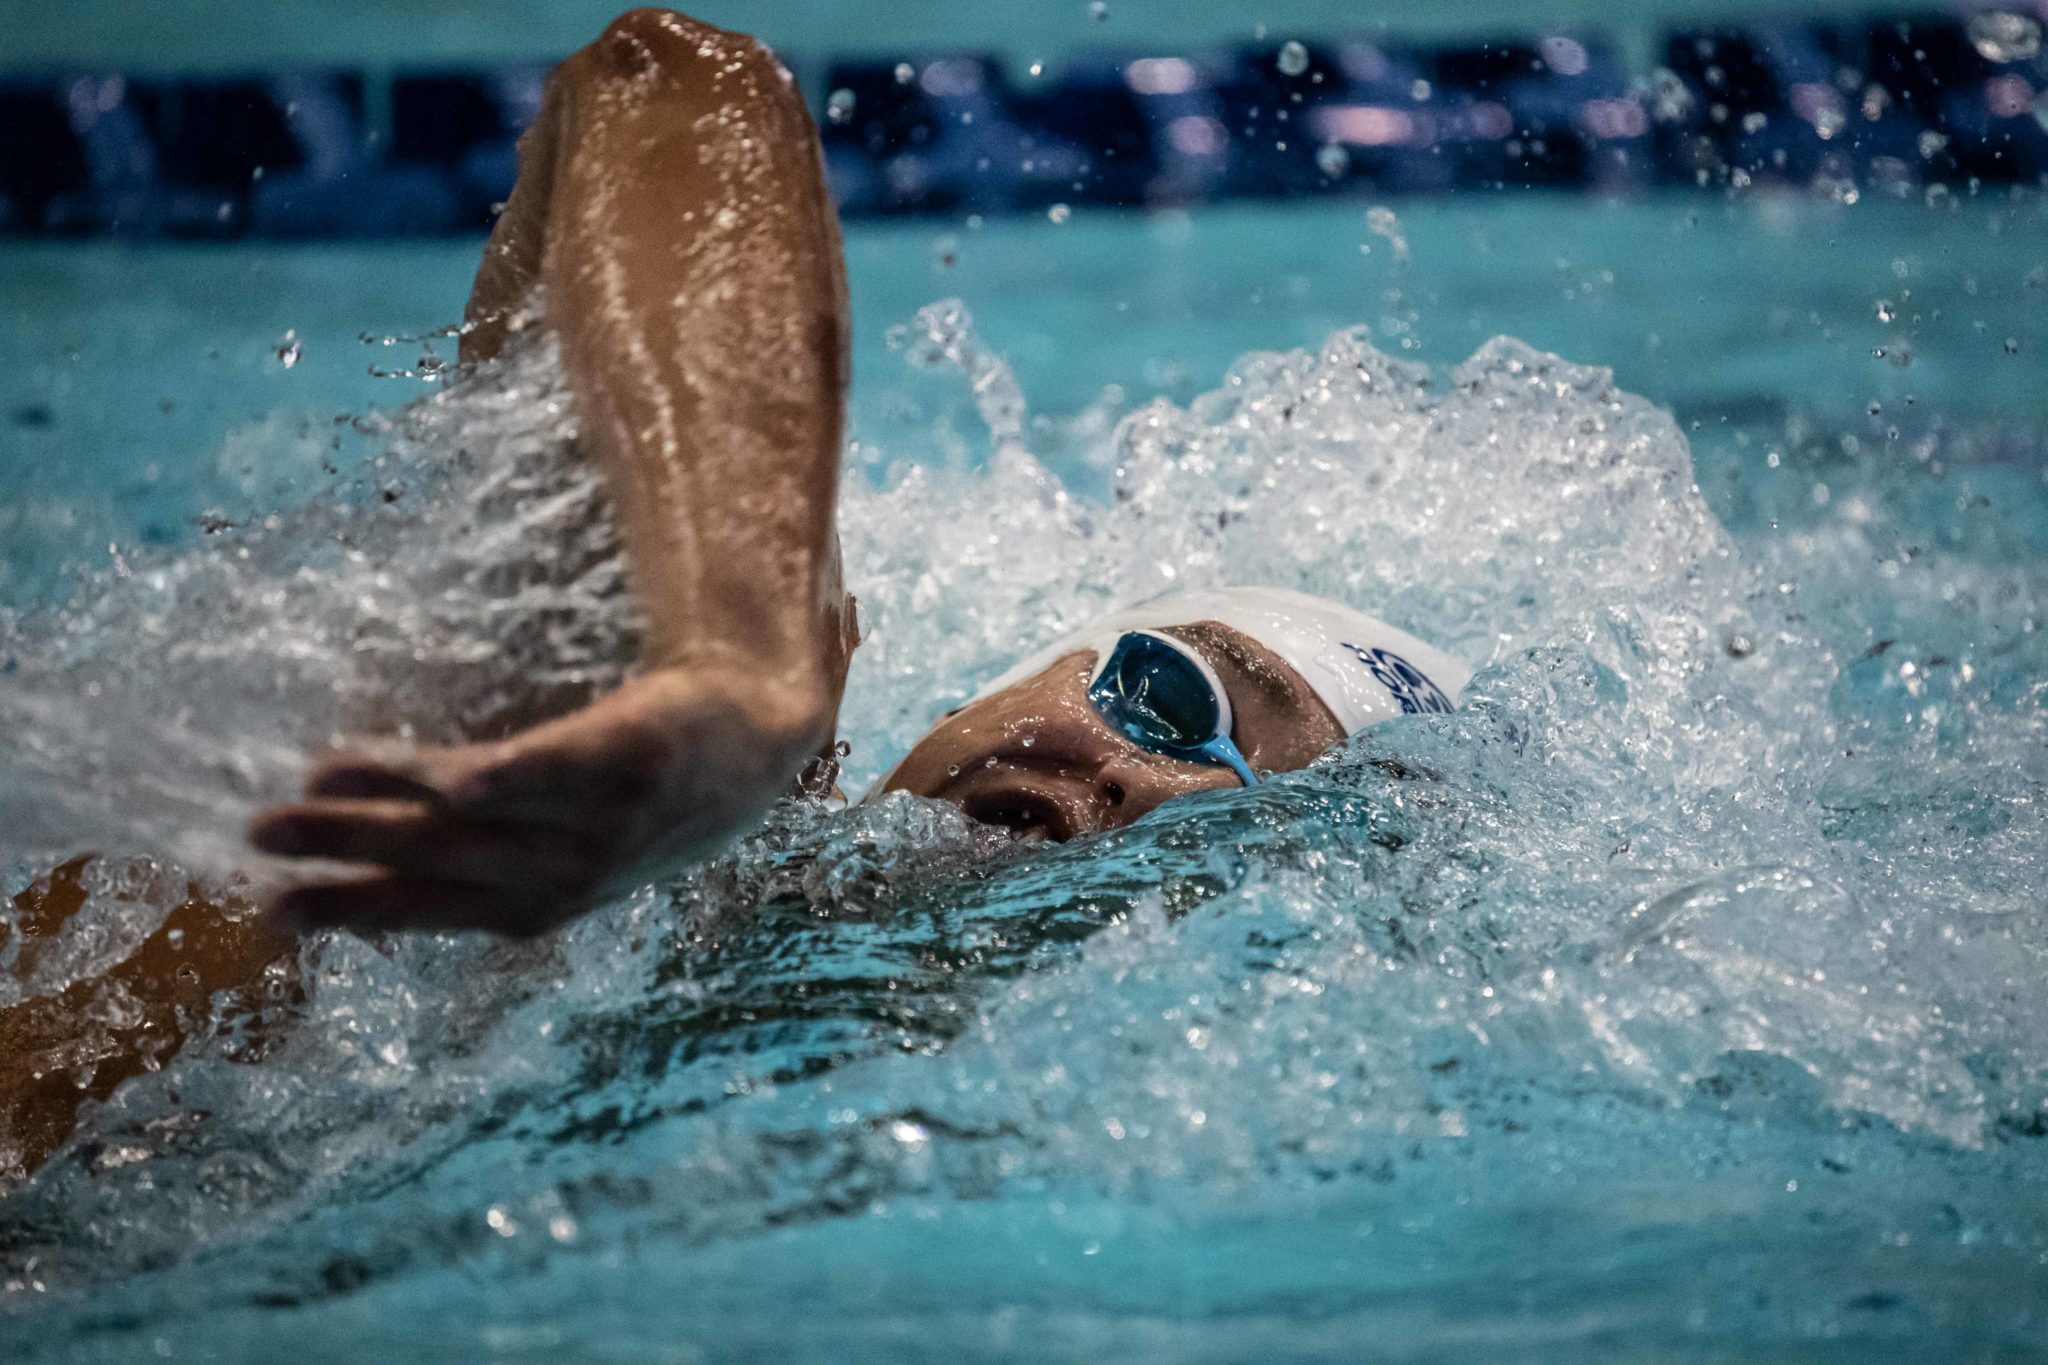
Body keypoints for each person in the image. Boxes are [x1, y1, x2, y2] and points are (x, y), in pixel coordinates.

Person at [1, 8, 1469, 1179]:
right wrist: (738, 684)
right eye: (1171, 691)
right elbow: (666, 83)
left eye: (1241, 835)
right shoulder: (649, 754)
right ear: (989, 681)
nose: (1151, 790)